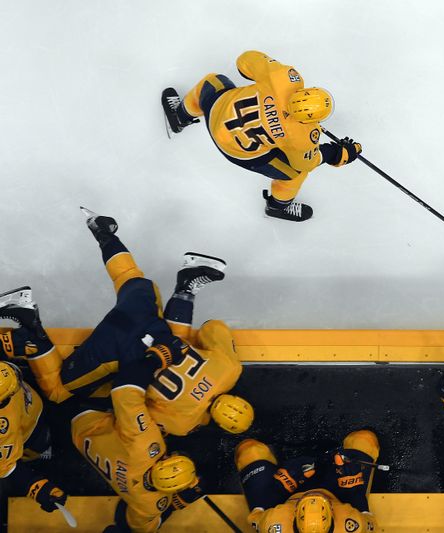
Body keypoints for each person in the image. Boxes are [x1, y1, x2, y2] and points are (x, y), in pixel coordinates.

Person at [1, 209, 253, 436]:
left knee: (129, 278)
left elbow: (212, 327)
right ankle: (29, 325)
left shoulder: (230, 370)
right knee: (57, 391)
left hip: (147, 319)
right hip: (118, 350)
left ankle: (104, 232)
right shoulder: (183, 423)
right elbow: (130, 403)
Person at [162, 50, 363, 222]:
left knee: (212, 81)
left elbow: (244, 61)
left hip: (218, 110)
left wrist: (267, 75)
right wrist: (337, 154)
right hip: (237, 151)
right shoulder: (303, 135)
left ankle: (180, 117)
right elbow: (307, 163)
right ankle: (278, 206)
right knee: (294, 173)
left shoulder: (283, 78)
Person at [70, 355, 204, 532]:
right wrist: (173, 505)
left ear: (164, 461)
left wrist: (157, 358)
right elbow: (132, 525)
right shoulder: (152, 504)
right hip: (79, 441)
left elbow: (124, 389)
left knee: (160, 410)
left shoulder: (145, 443)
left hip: (86, 415)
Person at [235, 430, 380, 532]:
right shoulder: (352, 525)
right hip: (335, 494)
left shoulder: (273, 524)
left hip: (287, 496)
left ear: (296, 517)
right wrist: (352, 487)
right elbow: (371, 523)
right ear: (331, 516)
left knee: (248, 450)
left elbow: (255, 517)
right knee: (364, 440)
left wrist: (281, 487)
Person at [0, 333, 67, 518]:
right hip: (30, 433)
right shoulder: (3, 429)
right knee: (39, 447)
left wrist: (10, 340)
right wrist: (40, 489)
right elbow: (7, 468)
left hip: (33, 411)